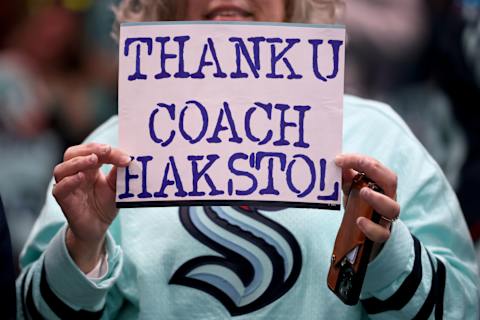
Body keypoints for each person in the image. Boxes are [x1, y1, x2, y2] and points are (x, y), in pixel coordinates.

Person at [16, 0, 479, 319]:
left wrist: (385, 255)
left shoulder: (375, 135)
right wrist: (83, 246)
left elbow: (464, 307)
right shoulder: (111, 151)